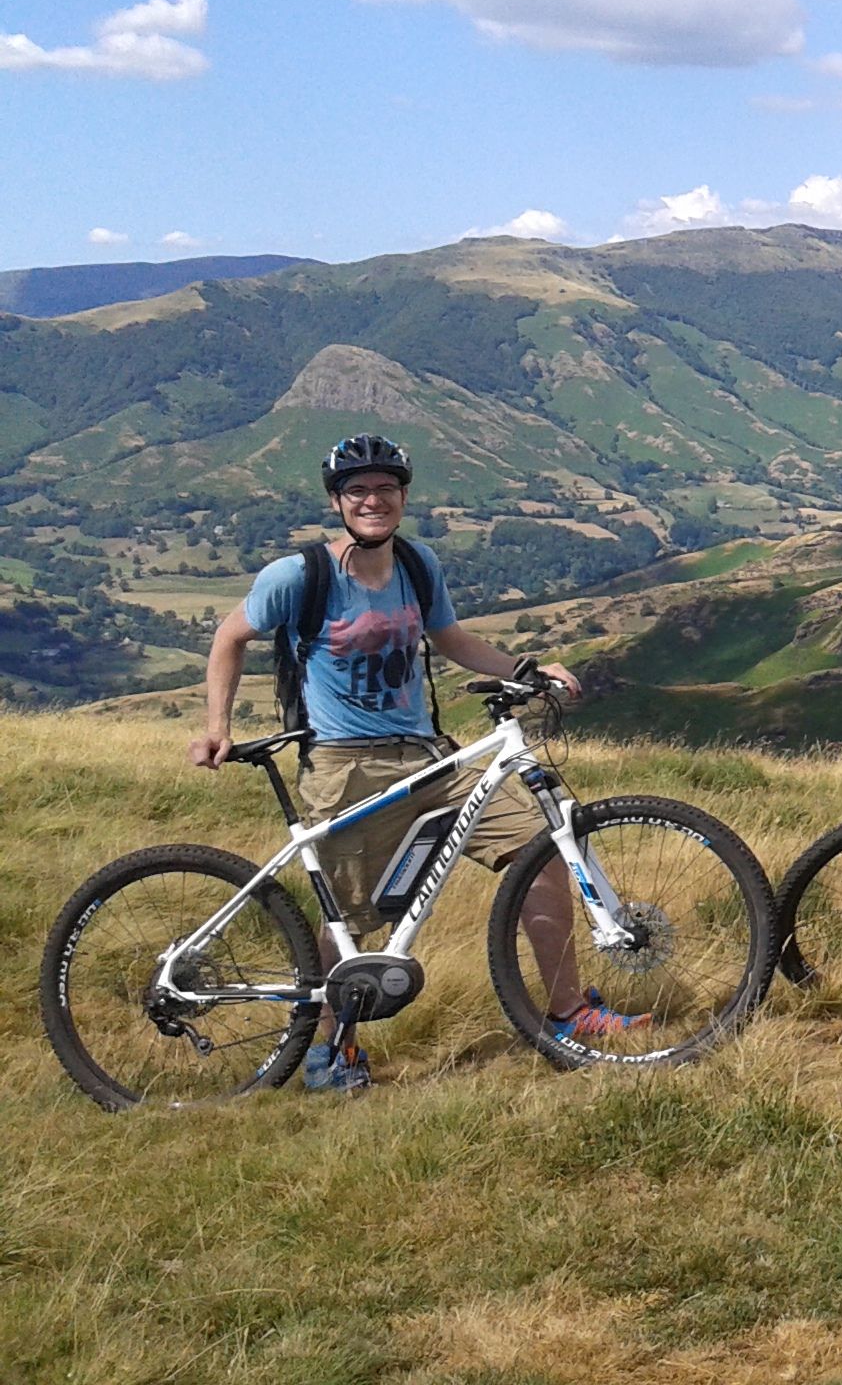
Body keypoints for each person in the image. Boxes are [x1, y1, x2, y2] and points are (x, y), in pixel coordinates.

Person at [188, 434, 644, 1091]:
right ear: (338, 501)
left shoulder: (417, 564)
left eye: (385, 489)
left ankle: (569, 1014)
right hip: (345, 765)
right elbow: (230, 638)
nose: (373, 500)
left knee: (538, 852)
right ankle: (328, 1047)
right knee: (347, 919)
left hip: (433, 759)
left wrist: (527, 670)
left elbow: (451, 638)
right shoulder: (299, 576)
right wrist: (216, 728)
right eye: (357, 490)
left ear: (403, 496)